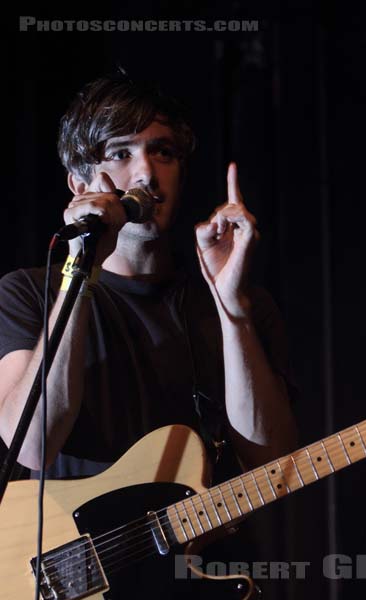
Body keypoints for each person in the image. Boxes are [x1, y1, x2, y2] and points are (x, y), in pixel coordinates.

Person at [0, 71, 297, 597]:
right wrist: (80, 273)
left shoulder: (237, 301)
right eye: (119, 153)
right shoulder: (28, 294)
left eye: (162, 153)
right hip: (76, 578)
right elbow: (34, 444)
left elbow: (273, 465)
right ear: (79, 183)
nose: (144, 175)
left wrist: (233, 310)